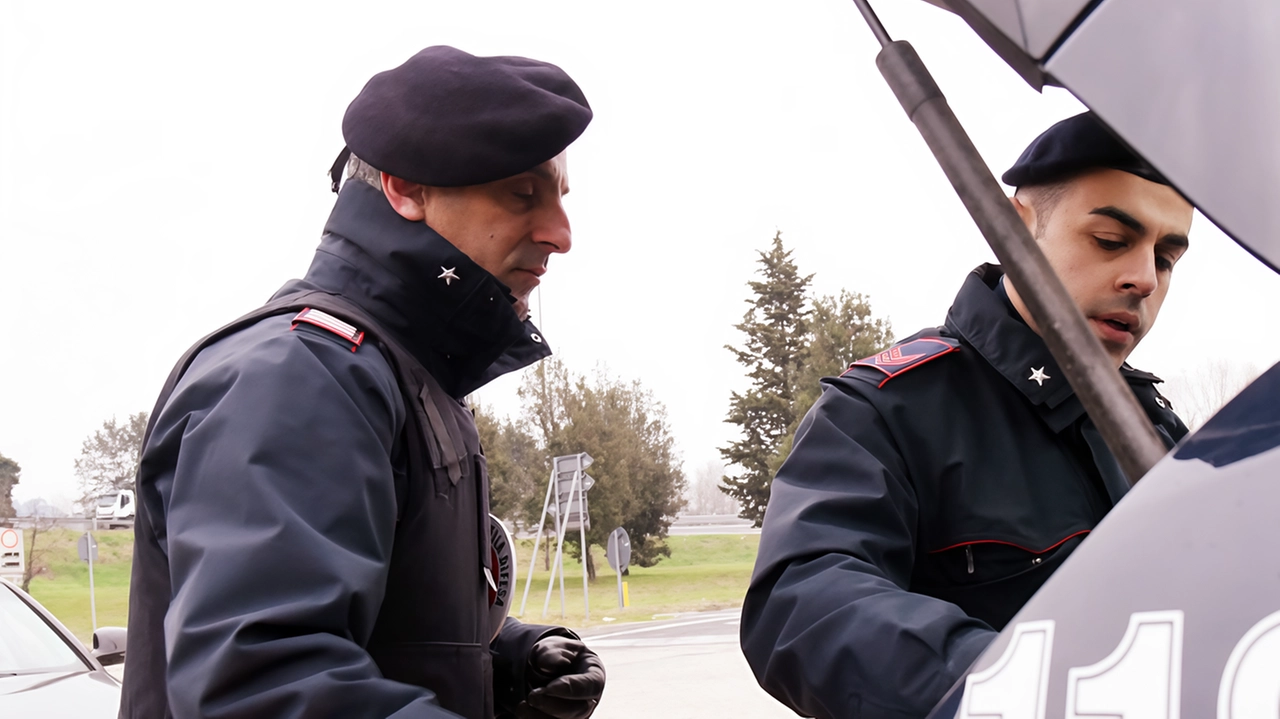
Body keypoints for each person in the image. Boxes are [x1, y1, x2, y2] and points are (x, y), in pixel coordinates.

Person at [122, 46, 605, 719]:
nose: (560, 233)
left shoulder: (400, 372)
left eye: (559, 195)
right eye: (522, 192)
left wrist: (508, 659)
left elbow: (368, 624)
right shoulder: (301, 375)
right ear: (406, 188)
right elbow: (260, 683)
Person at [739, 112, 1193, 719]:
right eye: (1110, 240)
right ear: (1013, 228)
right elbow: (802, 605)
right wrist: (1020, 691)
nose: (1142, 278)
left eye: (1166, 259)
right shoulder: (884, 410)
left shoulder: (1158, 429)